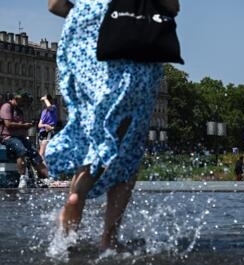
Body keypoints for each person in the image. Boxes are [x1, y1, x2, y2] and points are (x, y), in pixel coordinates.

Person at [46, 0, 180, 251]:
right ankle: (109, 239)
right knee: (128, 145)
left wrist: (88, 13)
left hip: (83, 39)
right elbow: (171, 6)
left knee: (93, 133)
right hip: (129, 37)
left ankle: (77, 196)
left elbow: (54, 5)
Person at [0, 93, 49, 188]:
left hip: (19, 136)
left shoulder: (19, 110)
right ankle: (23, 177)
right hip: (8, 137)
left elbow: (19, 125)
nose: (22, 102)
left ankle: (47, 177)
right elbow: (8, 124)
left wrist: (28, 126)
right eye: (20, 100)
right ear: (13, 99)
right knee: (21, 149)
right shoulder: (6, 106)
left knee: (35, 154)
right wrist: (24, 125)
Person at [37, 94, 58, 158]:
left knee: (44, 152)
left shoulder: (53, 107)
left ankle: (39, 165)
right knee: (42, 152)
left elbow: (49, 106)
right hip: (42, 133)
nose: (44, 103)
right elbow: (39, 125)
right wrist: (45, 125)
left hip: (49, 132)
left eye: (45, 101)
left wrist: (45, 98)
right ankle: (39, 165)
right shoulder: (44, 112)